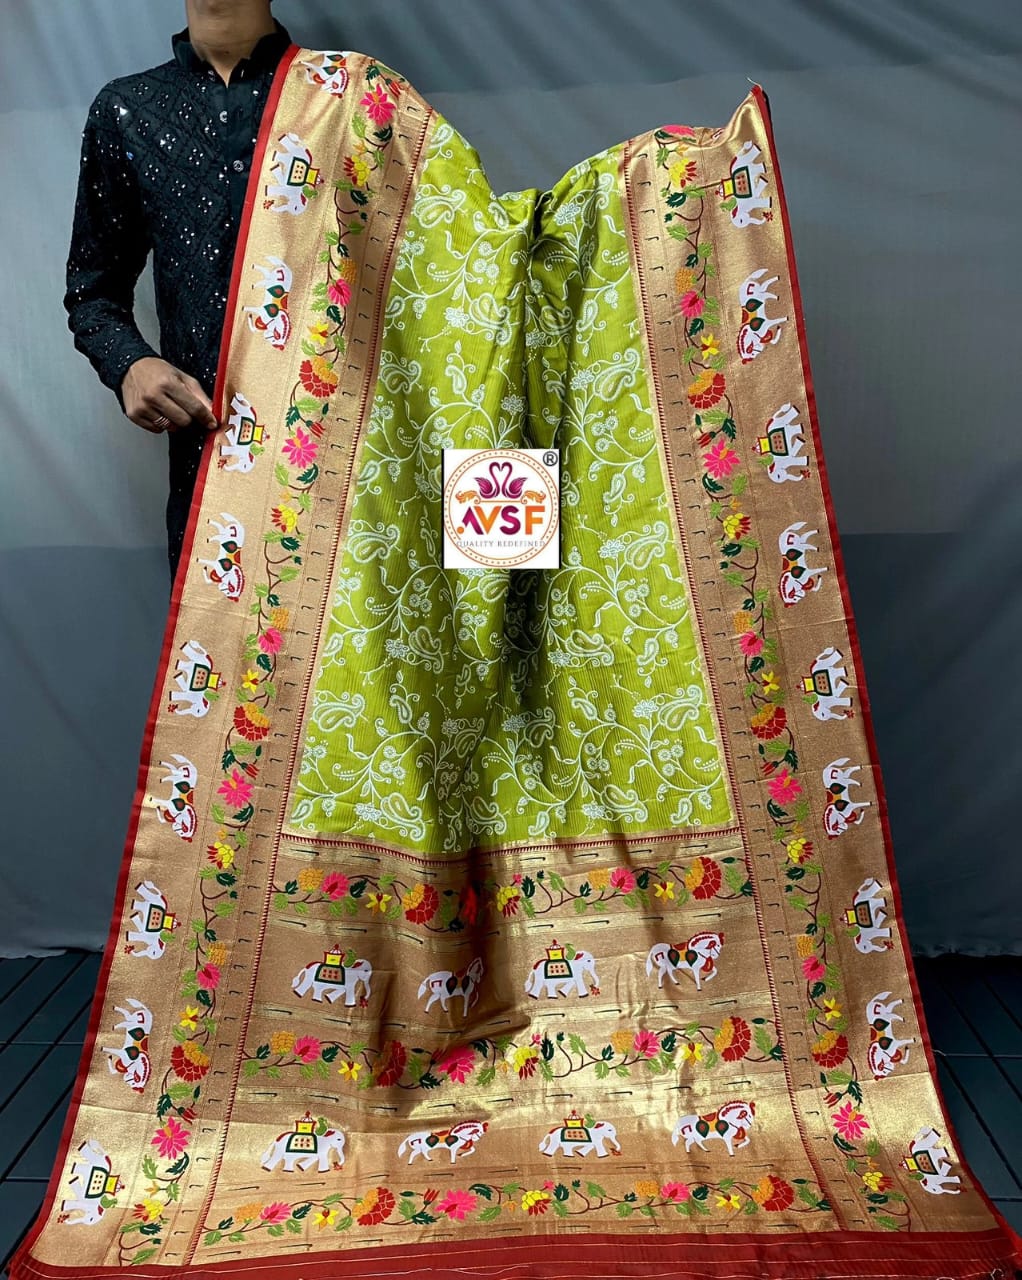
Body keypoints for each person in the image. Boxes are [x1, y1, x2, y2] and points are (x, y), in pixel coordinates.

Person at [64, 0, 295, 584]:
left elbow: (436, 259)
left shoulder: (349, 98)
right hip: (210, 466)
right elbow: (93, 291)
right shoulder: (128, 109)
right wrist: (130, 364)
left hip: (345, 454)